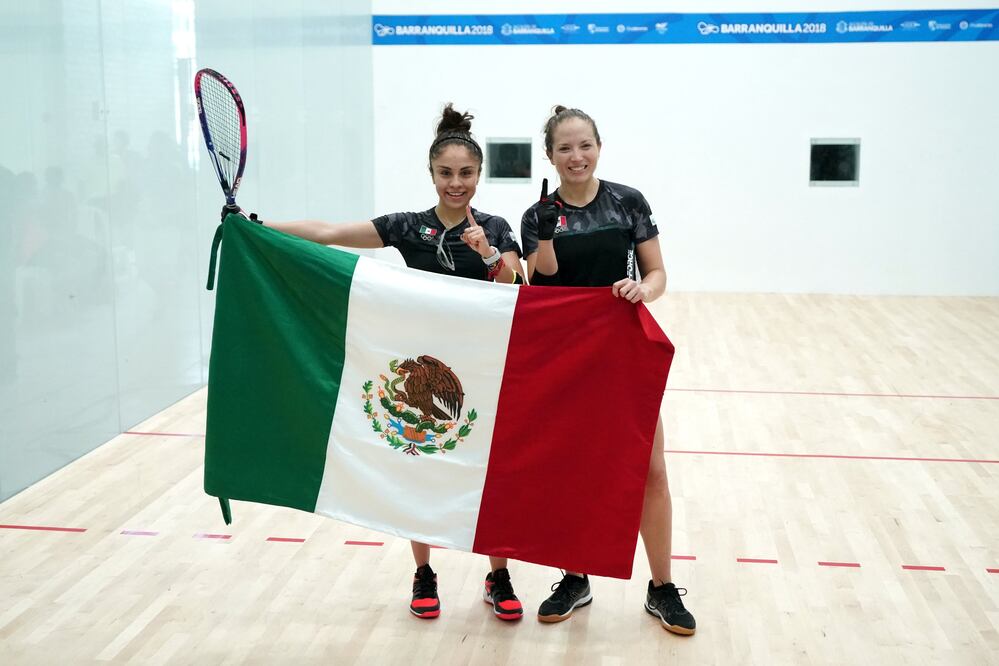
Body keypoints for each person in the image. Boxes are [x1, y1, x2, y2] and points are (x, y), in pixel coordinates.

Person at [244, 104, 526, 621]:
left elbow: (514, 286)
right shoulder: (407, 225)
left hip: (484, 369)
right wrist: (258, 226)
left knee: (489, 470)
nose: (456, 183)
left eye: (466, 174)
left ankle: (499, 574)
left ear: (479, 175)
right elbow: (329, 233)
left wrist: (487, 251)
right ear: (432, 174)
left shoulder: (498, 227)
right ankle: (423, 572)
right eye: (446, 173)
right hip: (424, 368)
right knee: (420, 467)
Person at [520, 105, 696, 636]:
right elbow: (541, 285)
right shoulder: (536, 215)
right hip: (566, 357)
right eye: (565, 148)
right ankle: (575, 577)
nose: (576, 156)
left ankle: (662, 587)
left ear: (599, 147)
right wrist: (546, 239)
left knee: (651, 472)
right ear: (550, 155)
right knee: (574, 471)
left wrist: (643, 289)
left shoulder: (627, 201)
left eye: (585, 145)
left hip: (622, 349)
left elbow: (658, 272)